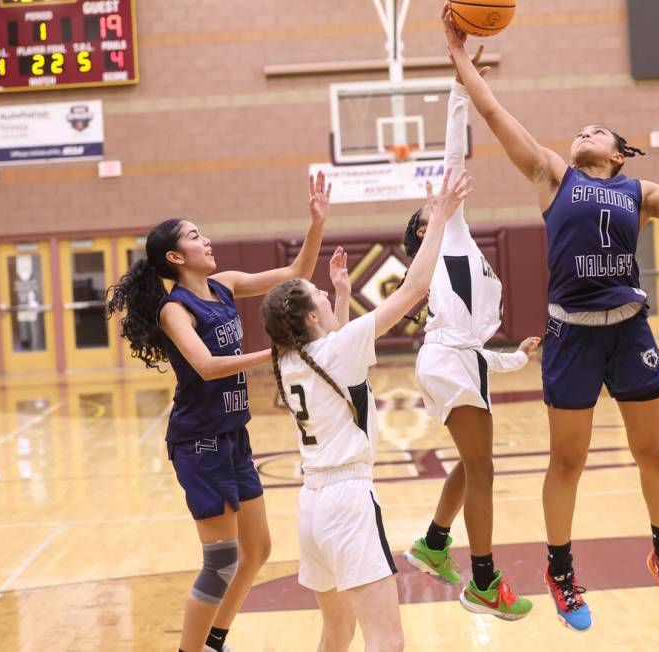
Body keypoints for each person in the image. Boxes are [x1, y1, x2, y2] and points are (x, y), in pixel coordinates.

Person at [442, 6, 659, 631]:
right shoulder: (552, 173)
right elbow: (500, 118)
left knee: (653, 452)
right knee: (568, 463)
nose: (584, 133)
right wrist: (461, 63)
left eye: (596, 131)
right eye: (580, 130)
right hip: (572, 335)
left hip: (629, 328)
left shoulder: (641, 194)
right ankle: (560, 569)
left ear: (617, 154)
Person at [105, 173, 332, 652]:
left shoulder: (223, 286)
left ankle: (214, 640)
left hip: (233, 435)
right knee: (222, 559)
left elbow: (298, 272)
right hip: (198, 441)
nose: (206, 240)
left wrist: (316, 223)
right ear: (175, 257)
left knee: (259, 551)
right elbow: (206, 367)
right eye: (194, 235)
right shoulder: (176, 309)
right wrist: (275, 355)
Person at [261, 169, 472, 652]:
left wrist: (337, 291)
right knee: (386, 641)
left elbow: (335, 342)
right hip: (347, 502)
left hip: (312, 506)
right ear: (311, 317)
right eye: (318, 294)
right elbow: (414, 287)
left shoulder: (291, 359)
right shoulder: (338, 349)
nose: (325, 292)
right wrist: (438, 217)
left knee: (336, 634)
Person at [398, 46, 539, 620]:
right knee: (482, 468)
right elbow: (453, 154)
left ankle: (434, 544)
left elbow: (475, 347)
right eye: (425, 211)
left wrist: (516, 359)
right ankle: (483, 582)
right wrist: (461, 89)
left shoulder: (466, 251)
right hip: (447, 363)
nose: (435, 203)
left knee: (469, 464)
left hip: (461, 362)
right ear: (425, 228)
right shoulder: (445, 236)